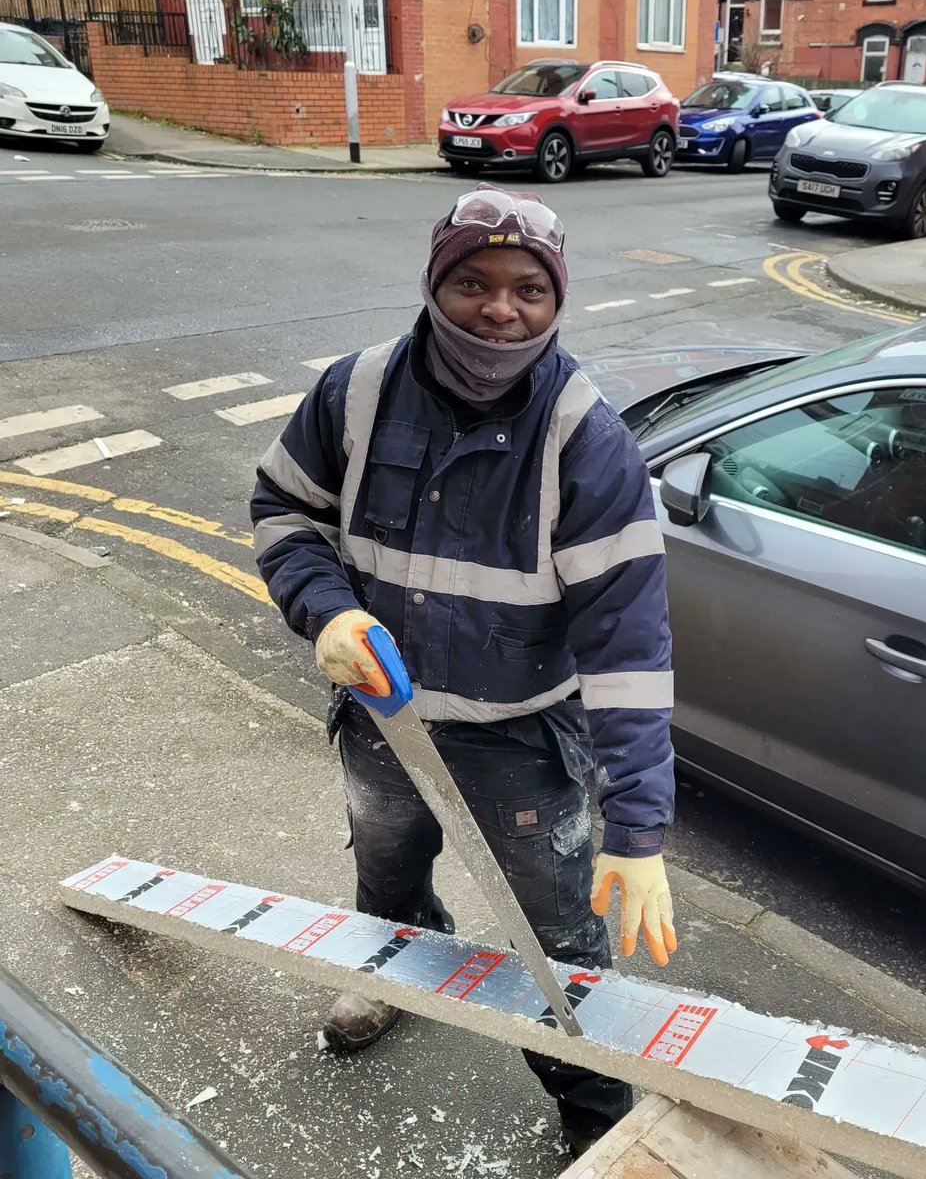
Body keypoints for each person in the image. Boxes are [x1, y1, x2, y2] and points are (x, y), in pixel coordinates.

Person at [250, 185, 677, 1157]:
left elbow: (628, 648)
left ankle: (594, 1112)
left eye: (530, 288)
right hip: (382, 720)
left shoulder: (586, 440)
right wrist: (327, 609)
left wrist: (638, 830)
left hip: (518, 741)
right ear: (434, 283)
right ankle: (394, 972)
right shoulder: (356, 391)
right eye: (473, 282)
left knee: (558, 945)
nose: (500, 310)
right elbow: (284, 510)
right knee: (388, 874)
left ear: (557, 300)